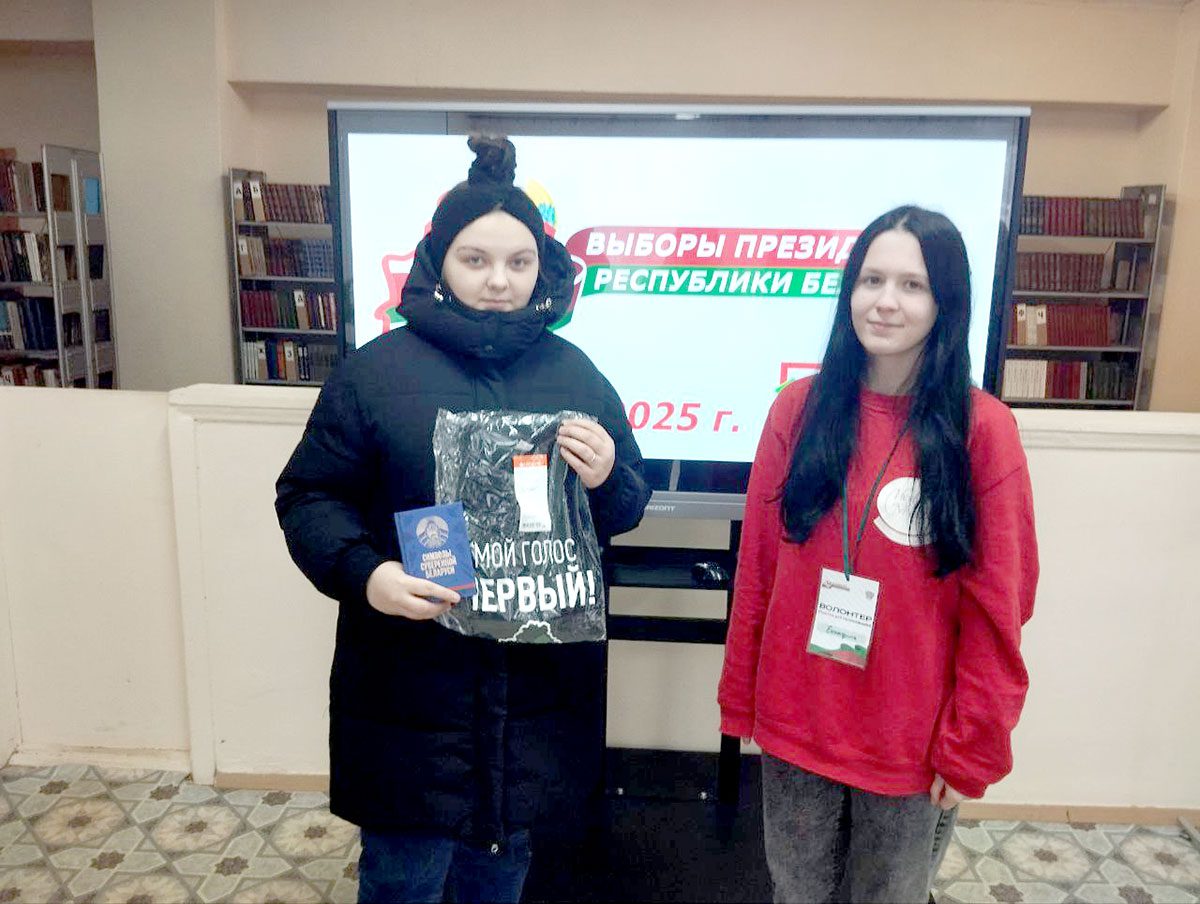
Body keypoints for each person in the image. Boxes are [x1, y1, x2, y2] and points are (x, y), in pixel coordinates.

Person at [275, 134, 650, 904]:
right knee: (403, 879)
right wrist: (368, 575)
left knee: (499, 875)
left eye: (519, 261)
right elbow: (309, 496)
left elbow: (624, 507)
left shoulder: (576, 373)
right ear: (438, 260)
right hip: (411, 691)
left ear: (545, 267)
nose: (499, 280)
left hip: (532, 702)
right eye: (475, 259)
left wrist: (609, 474)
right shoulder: (374, 373)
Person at [718, 206, 1038, 903]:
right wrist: (740, 699)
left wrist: (972, 744)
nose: (885, 301)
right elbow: (759, 570)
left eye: (912, 285)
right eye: (871, 280)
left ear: (945, 301)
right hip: (797, 722)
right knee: (795, 894)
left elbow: (1000, 606)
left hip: (910, 740)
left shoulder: (983, 431)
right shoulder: (797, 411)